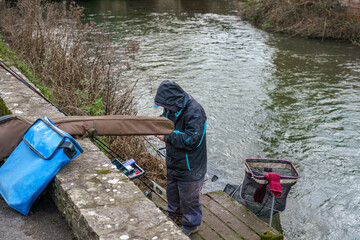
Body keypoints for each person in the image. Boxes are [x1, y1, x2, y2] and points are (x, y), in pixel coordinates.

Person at [153, 80, 207, 236]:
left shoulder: (195, 111)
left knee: (189, 198)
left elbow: (192, 140)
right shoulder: (171, 108)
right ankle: (174, 216)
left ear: (174, 101)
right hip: (174, 161)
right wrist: (154, 126)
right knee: (172, 192)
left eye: (165, 106)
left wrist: (167, 137)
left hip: (191, 167)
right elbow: (165, 121)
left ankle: (191, 224)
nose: (165, 110)